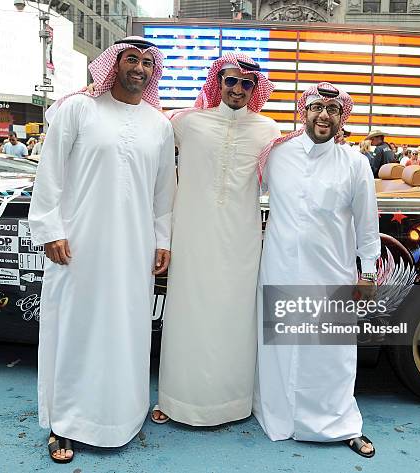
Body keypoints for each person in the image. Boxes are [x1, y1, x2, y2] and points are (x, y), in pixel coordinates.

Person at [28, 36, 176, 463]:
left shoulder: (159, 125)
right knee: (76, 331)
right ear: (114, 64)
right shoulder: (77, 109)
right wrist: (50, 229)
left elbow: (163, 192)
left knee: (126, 331)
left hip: (133, 249)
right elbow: (50, 174)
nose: (140, 68)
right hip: (78, 246)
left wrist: (161, 239)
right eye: (132, 59)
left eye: (148, 62)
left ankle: (124, 415)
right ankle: (66, 424)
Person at [152, 53, 282, 426]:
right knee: (186, 315)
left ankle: (233, 404)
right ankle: (177, 401)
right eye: (231, 81)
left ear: (256, 89)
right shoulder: (187, 123)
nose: (238, 89)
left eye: (247, 84)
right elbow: (143, 126)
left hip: (241, 241)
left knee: (233, 317)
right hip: (192, 236)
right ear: (217, 83)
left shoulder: (268, 129)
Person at [253, 82, 380, 458]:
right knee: (280, 350)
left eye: (333, 109)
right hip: (279, 269)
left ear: (342, 117)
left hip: (331, 273)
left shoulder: (355, 164)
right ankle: (278, 418)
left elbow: (366, 224)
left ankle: (340, 424)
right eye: (316, 107)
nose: (324, 115)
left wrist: (368, 272)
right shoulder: (276, 156)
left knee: (330, 355)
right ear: (303, 112)